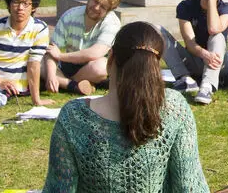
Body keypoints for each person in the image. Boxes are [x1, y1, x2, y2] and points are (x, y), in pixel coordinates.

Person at [43, 22, 209, 192]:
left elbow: (59, 188)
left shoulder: (73, 118)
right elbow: (189, 186)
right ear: (155, 65)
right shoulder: (174, 107)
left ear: (111, 58)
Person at [44, 0, 122, 95]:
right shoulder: (70, 15)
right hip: (67, 64)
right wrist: (51, 76)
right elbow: (52, 49)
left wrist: (60, 56)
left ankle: (67, 83)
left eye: (103, 6)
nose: (96, 7)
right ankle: (76, 86)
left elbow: (94, 53)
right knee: (40, 63)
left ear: (109, 10)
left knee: (101, 67)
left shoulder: (112, 23)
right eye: (95, 1)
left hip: (91, 65)